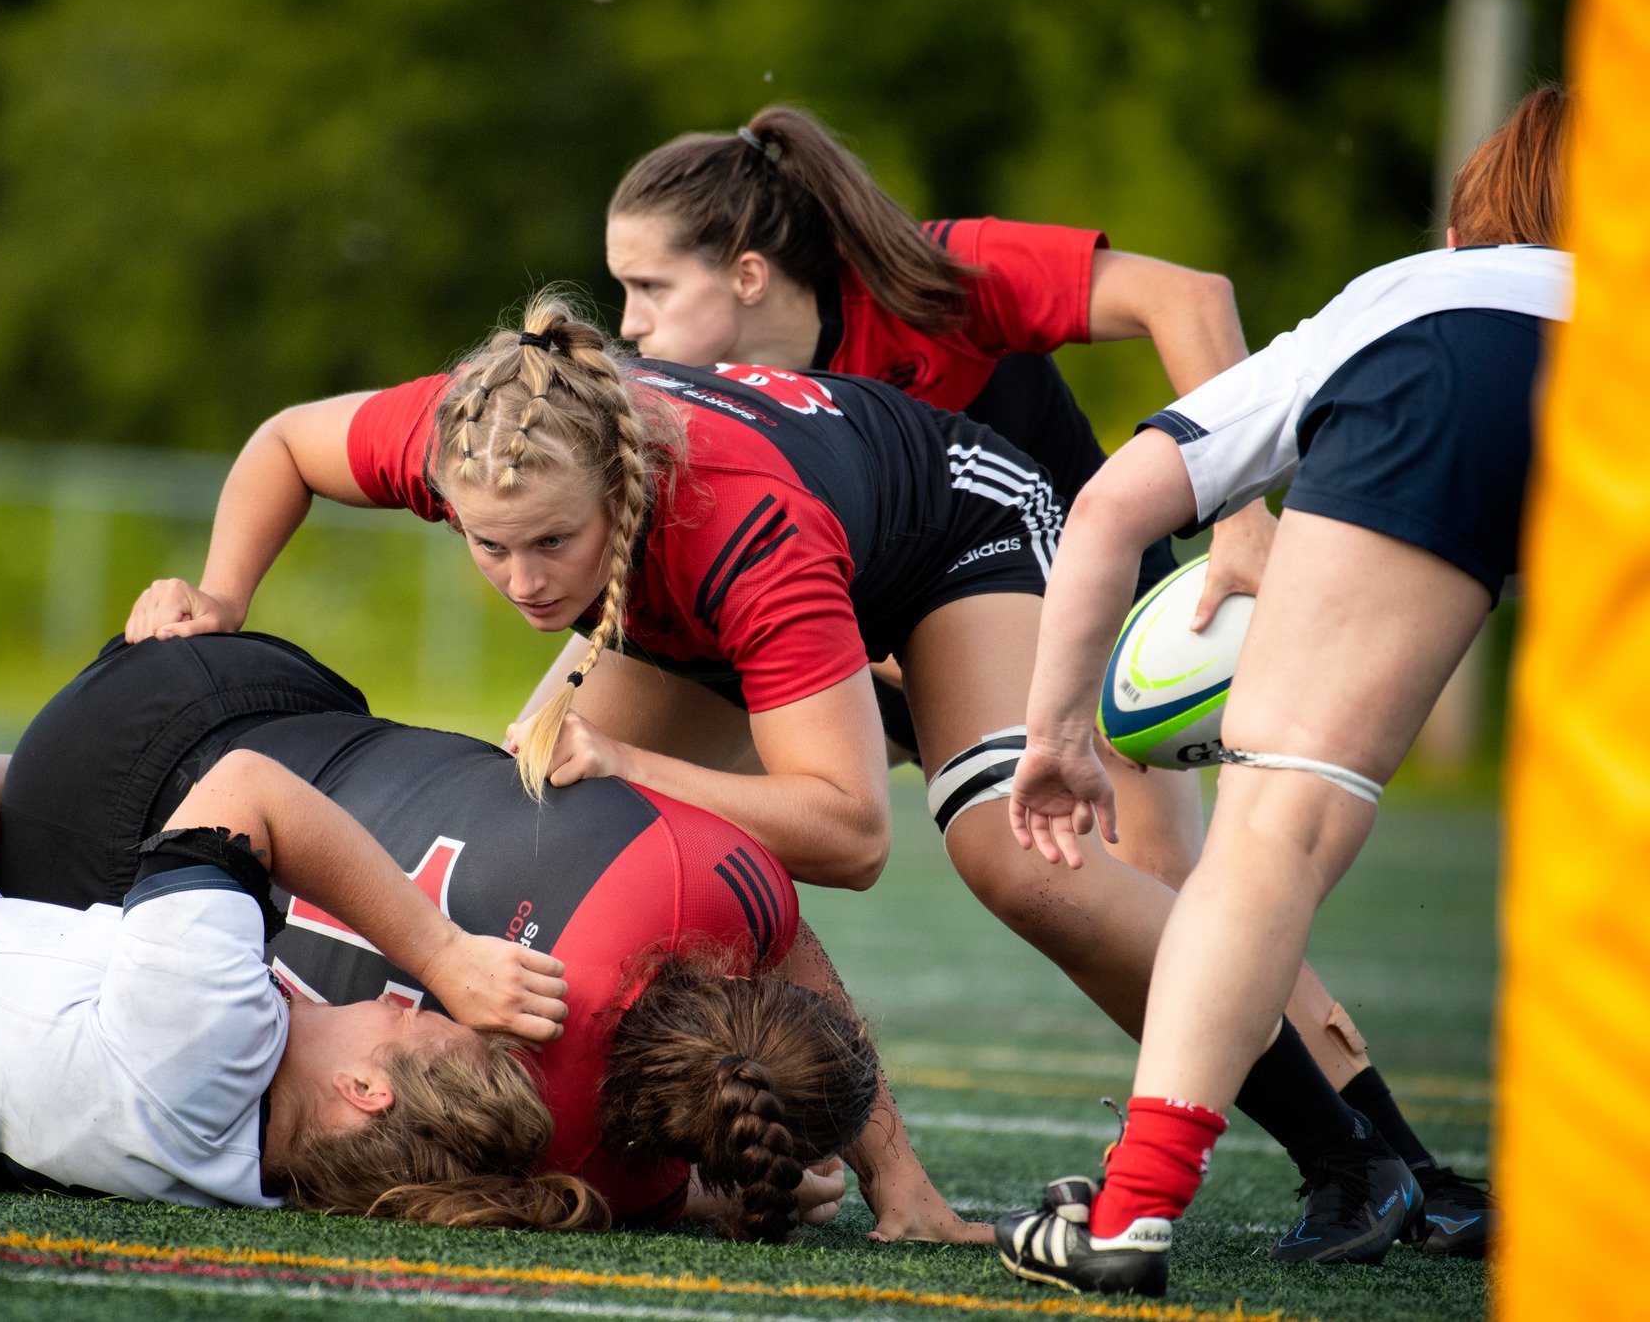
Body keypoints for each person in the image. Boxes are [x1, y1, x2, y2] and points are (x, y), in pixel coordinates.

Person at [123, 298, 1432, 1259]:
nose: (520, 582)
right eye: (489, 547)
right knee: (547, 816)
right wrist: (218, 593)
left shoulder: (744, 532)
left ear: (620, 500)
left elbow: (851, 837)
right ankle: (889, 1169)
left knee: (1008, 855)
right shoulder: (485, 429)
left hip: (960, 531)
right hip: (708, 574)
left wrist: (635, 761)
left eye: (551, 547)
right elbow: (288, 443)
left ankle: (1355, 1155)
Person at [996, 87, 1569, 1296]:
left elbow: (1107, 509)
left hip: (1444, 375)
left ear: (1465, 226)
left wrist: (1052, 736)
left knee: (1274, 829)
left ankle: (1133, 1210)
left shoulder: (1417, 290)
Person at [0, 630, 904, 1243]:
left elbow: (783, 928)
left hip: (242, 685)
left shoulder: (704, 876)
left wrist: (897, 1172)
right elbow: (666, 1192)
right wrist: (758, 1181)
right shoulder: (574, 1154)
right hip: (74, 854)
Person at [602, 103, 1262, 890]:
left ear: (748, 276)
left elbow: (1190, 298)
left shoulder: (928, 277)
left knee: (1157, 889)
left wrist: (1244, 516)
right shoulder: (694, 402)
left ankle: (1284, 1018)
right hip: (891, 649)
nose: (628, 322)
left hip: (1087, 601)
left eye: (650, 287)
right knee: (610, 799)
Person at [0, 740, 601, 1229]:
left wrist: (438, 951)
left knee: (38, 787)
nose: (405, 1005)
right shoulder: (261, 1187)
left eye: (421, 1029)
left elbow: (248, 787)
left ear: (367, 1091)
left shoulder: (211, 1029)